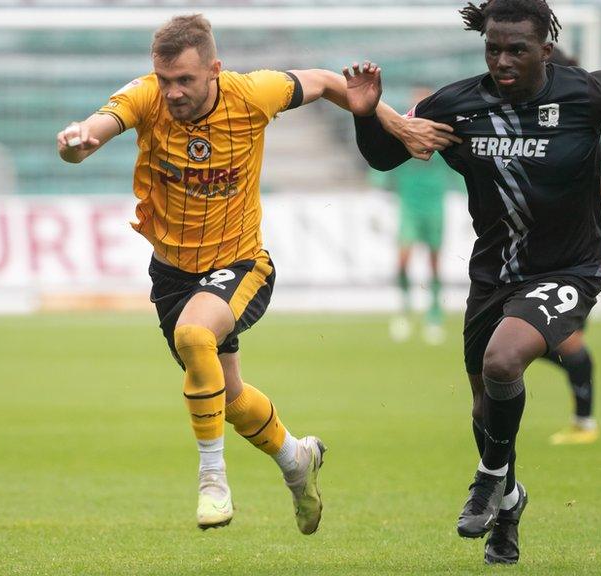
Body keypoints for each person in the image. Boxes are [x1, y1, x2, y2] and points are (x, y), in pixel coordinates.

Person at [345, 0, 601, 564]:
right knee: (484, 405)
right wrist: (366, 114)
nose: (502, 60)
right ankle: (509, 503)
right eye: (493, 48)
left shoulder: (590, 92)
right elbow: (385, 158)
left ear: (545, 49)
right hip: (493, 274)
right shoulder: (456, 106)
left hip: (571, 268)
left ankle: (489, 476)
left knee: (503, 361)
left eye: (516, 49)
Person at [57, 14, 458, 534]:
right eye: (166, 79)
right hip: (172, 273)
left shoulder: (252, 93)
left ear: (215, 71)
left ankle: (212, 481)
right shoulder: (144, 96)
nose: (174, 92)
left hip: (240, 264)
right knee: (227, 395)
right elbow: (99, 125)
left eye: (186, 80)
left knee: (194, 334)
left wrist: (394, 121)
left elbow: (329, 81)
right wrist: (78, 141)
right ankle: (296, 459)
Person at [542, 46, 601, 445]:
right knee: (508, 340)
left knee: (566, 341)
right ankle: (583, 418)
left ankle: (585, 422)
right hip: (537, 248)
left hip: (573, 250)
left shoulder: (580, 126)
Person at [370, 86, 455, 346]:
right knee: (403, 261)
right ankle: (405, 310)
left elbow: (458, 170)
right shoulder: (401, 136)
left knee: (433, 264)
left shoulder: (439, 137)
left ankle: (434, 315)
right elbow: (382, 170)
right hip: (409, 207)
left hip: (434, 208)